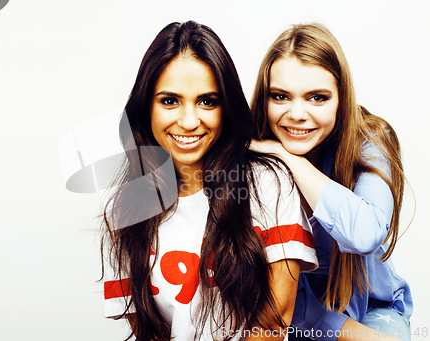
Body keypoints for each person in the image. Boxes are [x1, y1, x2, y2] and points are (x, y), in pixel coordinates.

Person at [100, 21, 318, 341]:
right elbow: (147, 332)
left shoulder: (268, 183)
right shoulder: (124, 210)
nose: (189, 121)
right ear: (146, 107)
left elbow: (273, 321)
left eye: (207, 101)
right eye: (170, 100)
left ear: (225, 107)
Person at [250, 23, 412, 341]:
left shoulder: (370, 139)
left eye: (317, 98)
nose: (297, 113)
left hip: (373, 311)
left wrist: (289, 160)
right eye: (281, 96)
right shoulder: (250, 161)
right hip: (294, 319)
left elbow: (365, 231)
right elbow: (273, 296)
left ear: (341, 98)